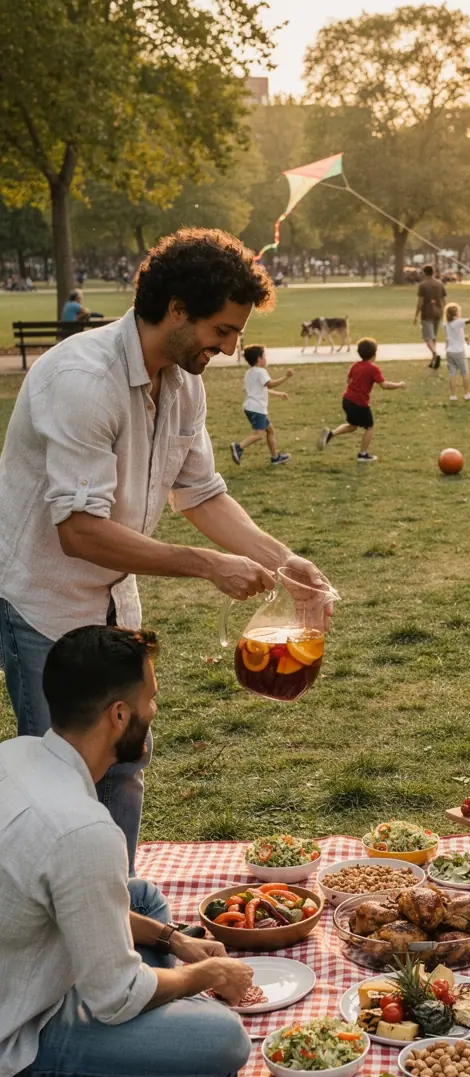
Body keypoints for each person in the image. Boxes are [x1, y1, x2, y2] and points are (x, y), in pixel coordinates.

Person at [0, 228, 332, 876]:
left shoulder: (183, 381)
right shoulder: (81, 379)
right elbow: (80, 531)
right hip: (43, 605)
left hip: (115, 603)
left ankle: (117, 925)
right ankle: (60, 954)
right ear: (177, 308)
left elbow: (201, 493)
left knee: (124, 766)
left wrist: (285, 562)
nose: (231, 348)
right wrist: (207, 565)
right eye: (223, 329)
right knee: (63, 789)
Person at [0, 625, 253, 1077]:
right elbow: (114, 998)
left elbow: (57, 897)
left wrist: (173, 938)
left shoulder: (16, 754)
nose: (155, 712)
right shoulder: (83, 831)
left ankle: (152, 1025)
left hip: (24, 963)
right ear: (119, 715)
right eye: (150, 699)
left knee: (144, 899)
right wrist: (208, 973)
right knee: (223, 1042)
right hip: (19, 1038)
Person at [317, 337, 406, 463]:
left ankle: (331, 434)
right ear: (374, 354)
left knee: (353, 426)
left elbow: (348, 381)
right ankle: (363, 455)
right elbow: (384, 385)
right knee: (369, 427)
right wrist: (400, 385)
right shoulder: (373, 368)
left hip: (347, 400)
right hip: (359, 403)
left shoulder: (355, 365)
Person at [230, 345, 293, 467]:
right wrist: (286, 377)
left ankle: (275, 457)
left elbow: (261, 389)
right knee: (258, 434)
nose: (266, 358)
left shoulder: (249, 373)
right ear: (259, 359)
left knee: (270, 431)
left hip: (251, 407)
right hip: (257, 409)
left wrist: (278, 394)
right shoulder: (261, 371)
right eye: (264, 356)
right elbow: (270, 384)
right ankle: (238, 447)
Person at [444, 303, 470, 401]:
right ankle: (466, 394)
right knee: (464, 373)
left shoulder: (447, 324)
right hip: (459, 352)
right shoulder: (458, 322)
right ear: (455, 314)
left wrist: (465, 337)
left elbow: (455, 334)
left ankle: (452, 395)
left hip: (449, 352)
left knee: (453, 374)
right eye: (458, 312)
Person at [413, 264, 446, 369]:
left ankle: (435, 354)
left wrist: (416, 315)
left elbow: (420, 302)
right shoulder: (440, 284)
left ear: (424, 273)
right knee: (433, 337)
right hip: (438, 312)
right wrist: (445, 312)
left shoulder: (423, 285)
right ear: (433, 272)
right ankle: (433, 360)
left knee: (427, 337)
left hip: (427, 313)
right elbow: (443, 300)